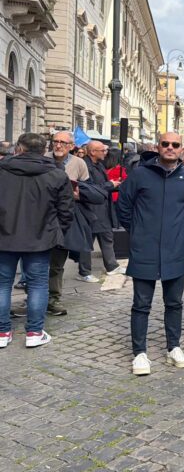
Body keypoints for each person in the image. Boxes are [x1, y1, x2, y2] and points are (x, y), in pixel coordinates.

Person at [117, 133, 184, 376]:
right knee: (141, 304)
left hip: (174, 249)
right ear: (157, 147)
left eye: (175, 145)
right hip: (145, 248)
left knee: (175, 303)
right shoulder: (140, 174)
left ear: (182, 149)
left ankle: (174, 347)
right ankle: (139, 352)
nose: (170, 148)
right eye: (165, 144)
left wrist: (183, 237)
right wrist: (137, 231)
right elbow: (123, 206)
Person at [0, 133, 74, 349]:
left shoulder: (2, 170)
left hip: (5, 236)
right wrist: (57, 231)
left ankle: (3, 332)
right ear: (44, 150)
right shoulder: (56, 174)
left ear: (19, 149)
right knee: (38, 284)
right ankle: (34, 331)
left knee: (3, 284)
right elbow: (67, 210)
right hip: (41, 236)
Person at [45, 131, 91, 315]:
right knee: (35, 264)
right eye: (55, 141)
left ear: (71, 146)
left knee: (56, 264)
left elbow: (87, 189)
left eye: (63, 143)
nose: (58, 146)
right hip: (41, 219)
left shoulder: (79, 163)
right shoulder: (43, 159)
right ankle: (33, 297)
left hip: (63, 221)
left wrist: (78, 195)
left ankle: (53, 299)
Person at [79, 140, 124, 282]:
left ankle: (112, 265)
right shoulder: (85, 165)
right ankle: (84, 271)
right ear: (93, 152)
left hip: (102, 208)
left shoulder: (98, 165)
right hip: (90, 208)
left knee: (107, 236)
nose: (105, 153)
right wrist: (110, 184)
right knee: (88, 241)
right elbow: (90, 187)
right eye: (102, 151)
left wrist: (113, 185)